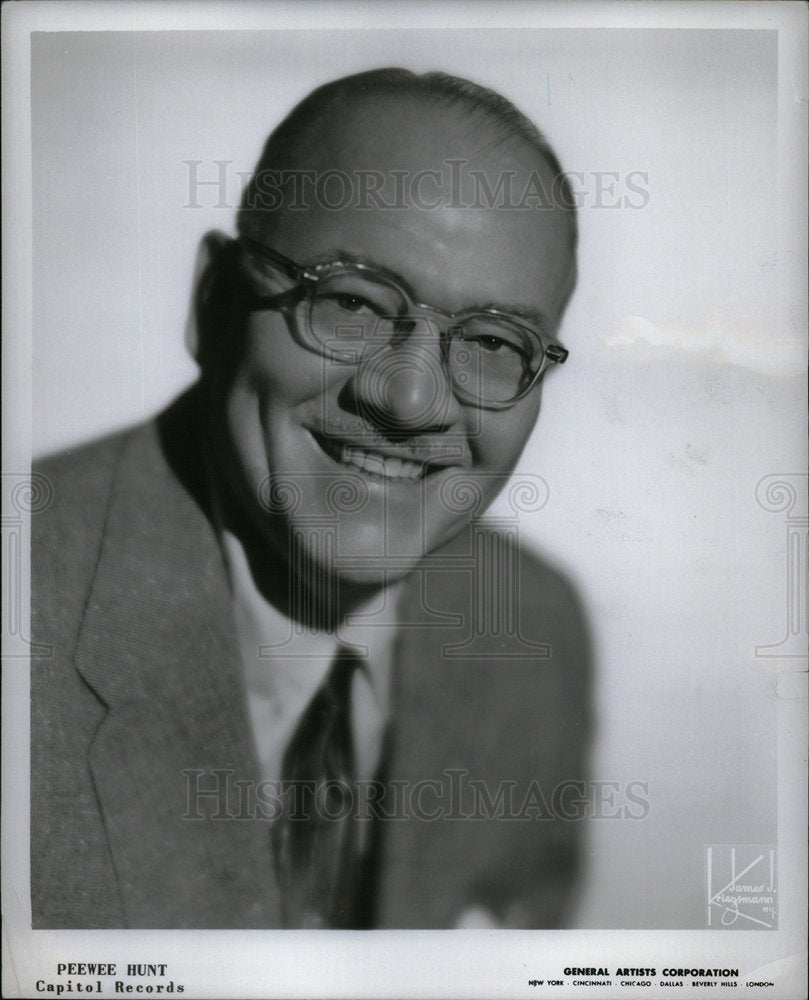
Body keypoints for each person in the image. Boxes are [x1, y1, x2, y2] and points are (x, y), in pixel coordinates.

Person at [31, 68, 591, 929]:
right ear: (213, 301)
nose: (410, 402)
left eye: (490, 341)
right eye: (354, 303)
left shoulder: (534, 632)